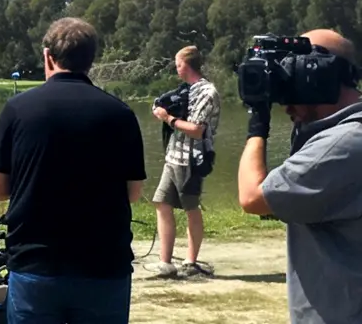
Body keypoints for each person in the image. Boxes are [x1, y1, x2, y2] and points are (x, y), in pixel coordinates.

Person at [0, 17, 147, 324]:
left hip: (36, 265)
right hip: (104, 266)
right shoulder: (120, 113)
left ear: (48, 56)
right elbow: (134, 192)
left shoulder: (18, 109)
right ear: (90, 60)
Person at [237, 29, 362, 324]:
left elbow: (252, 197)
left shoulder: (345, 143)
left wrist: (257, 125)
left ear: (319, 73)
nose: (285, 102)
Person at [150, 45, 220, 279]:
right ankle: (166, 262)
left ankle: (190, 262)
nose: (176, 68)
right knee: (161, 203)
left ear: (187, 65)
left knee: (191, 208)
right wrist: (162, 107)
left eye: (178, 64)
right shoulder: (184, 90)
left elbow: (197, 130)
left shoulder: (207, 92)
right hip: (173, 156)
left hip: (191, 159)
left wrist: (168, 118)